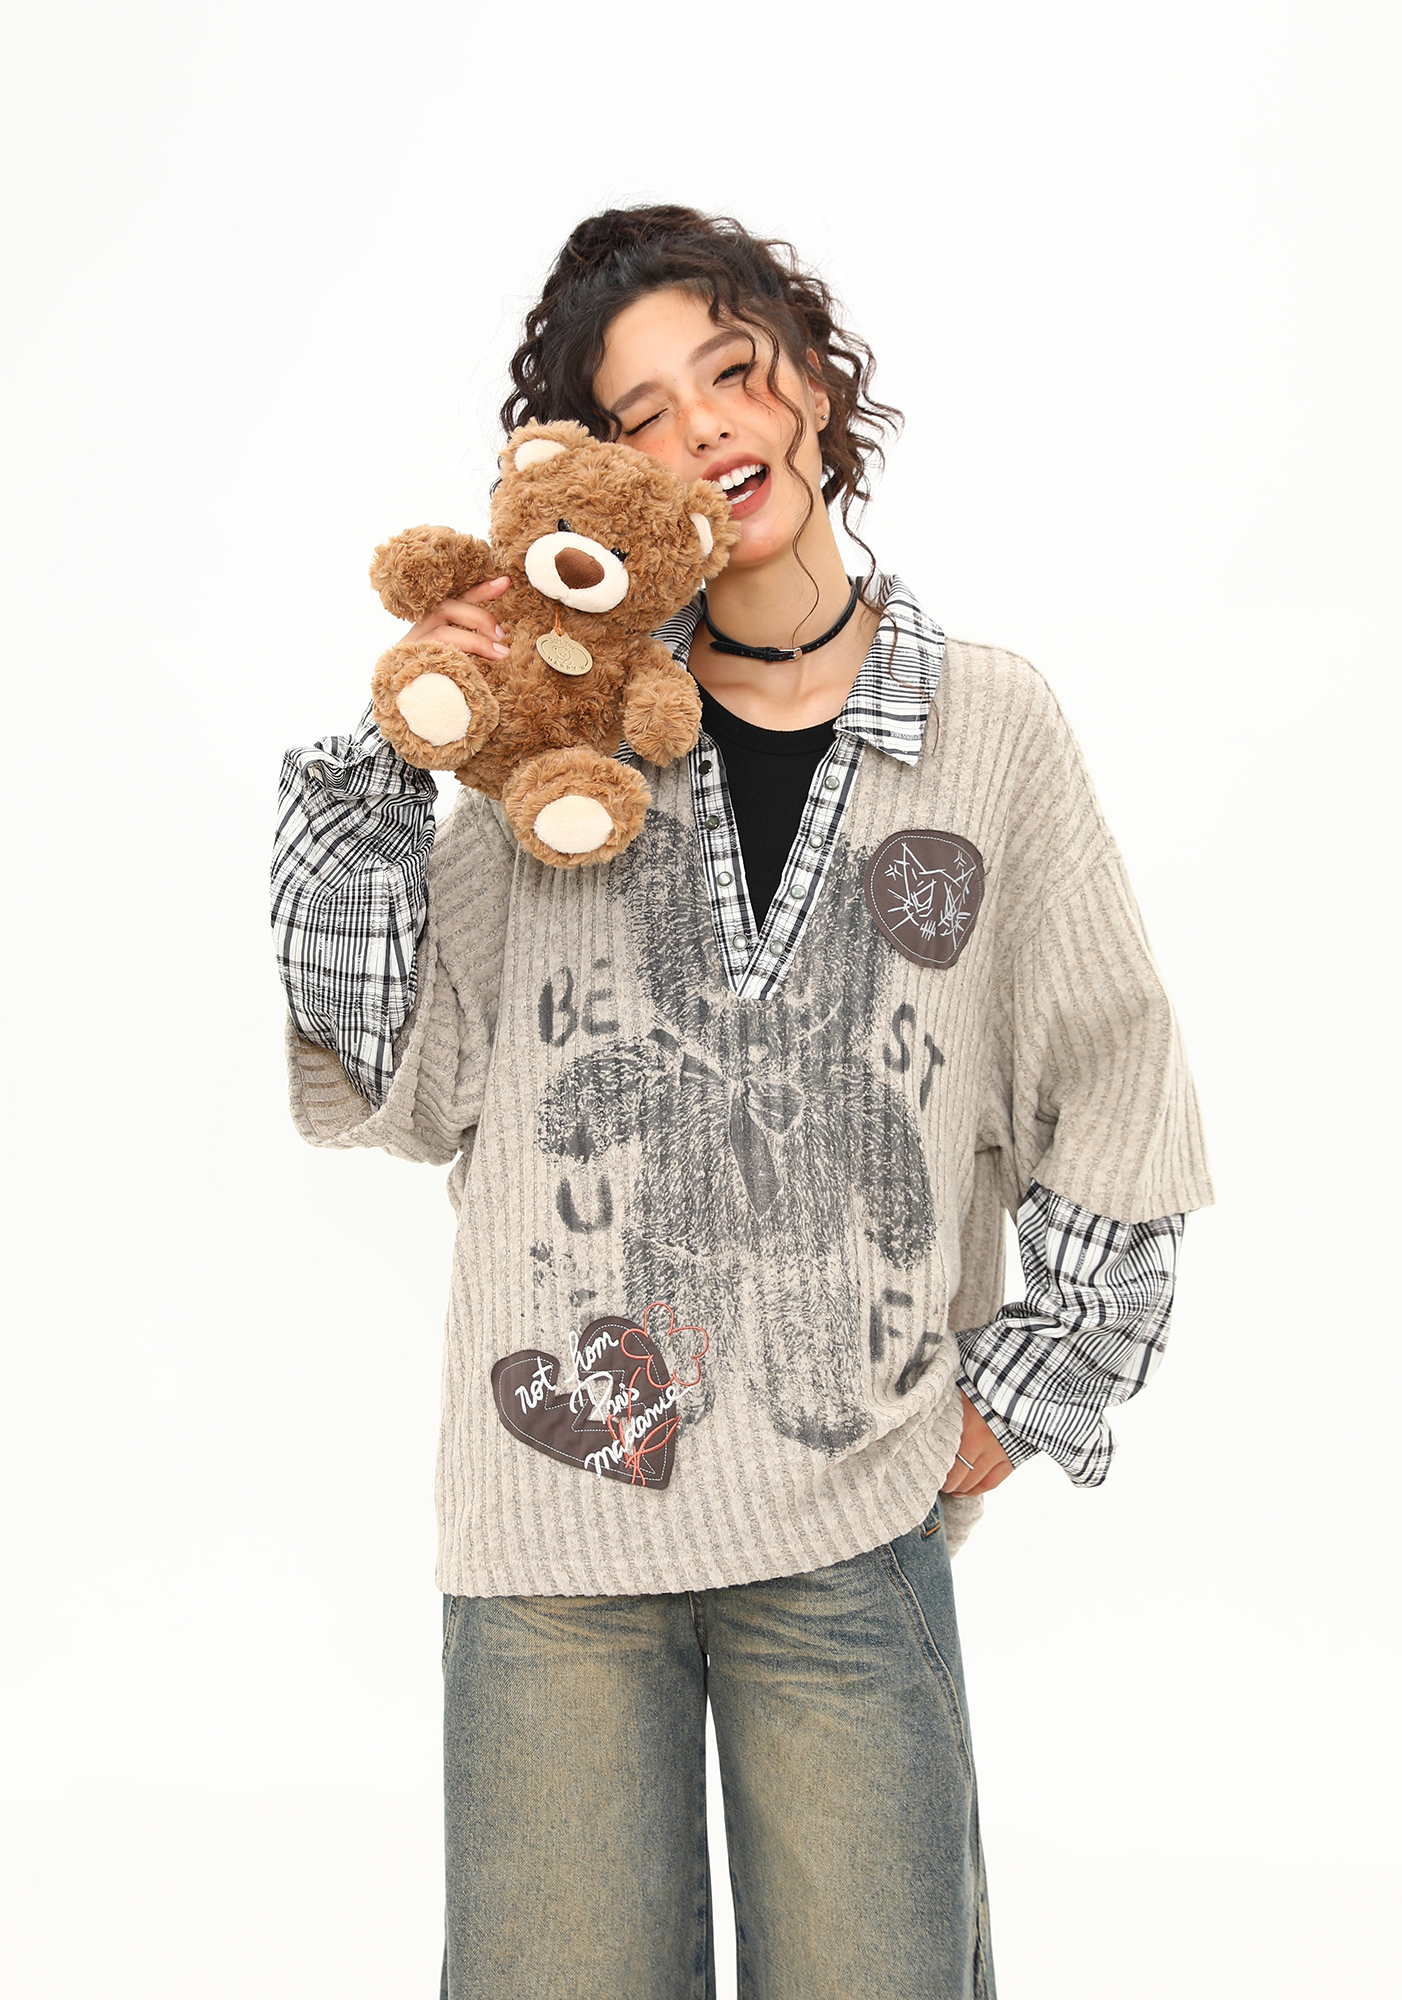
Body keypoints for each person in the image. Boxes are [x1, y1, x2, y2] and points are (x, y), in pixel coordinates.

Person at [271, 205, 1213, 2000]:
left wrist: (1022, 1393)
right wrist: (409, 747)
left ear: (811, 385)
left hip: (852, 1515)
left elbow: (1112, 1079)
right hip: (553, 1530)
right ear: (602, 480)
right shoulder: (565, 740)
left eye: (731, 367)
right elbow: (395, 1059)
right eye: (639, 415)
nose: (702, 425)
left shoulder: (991, 728)